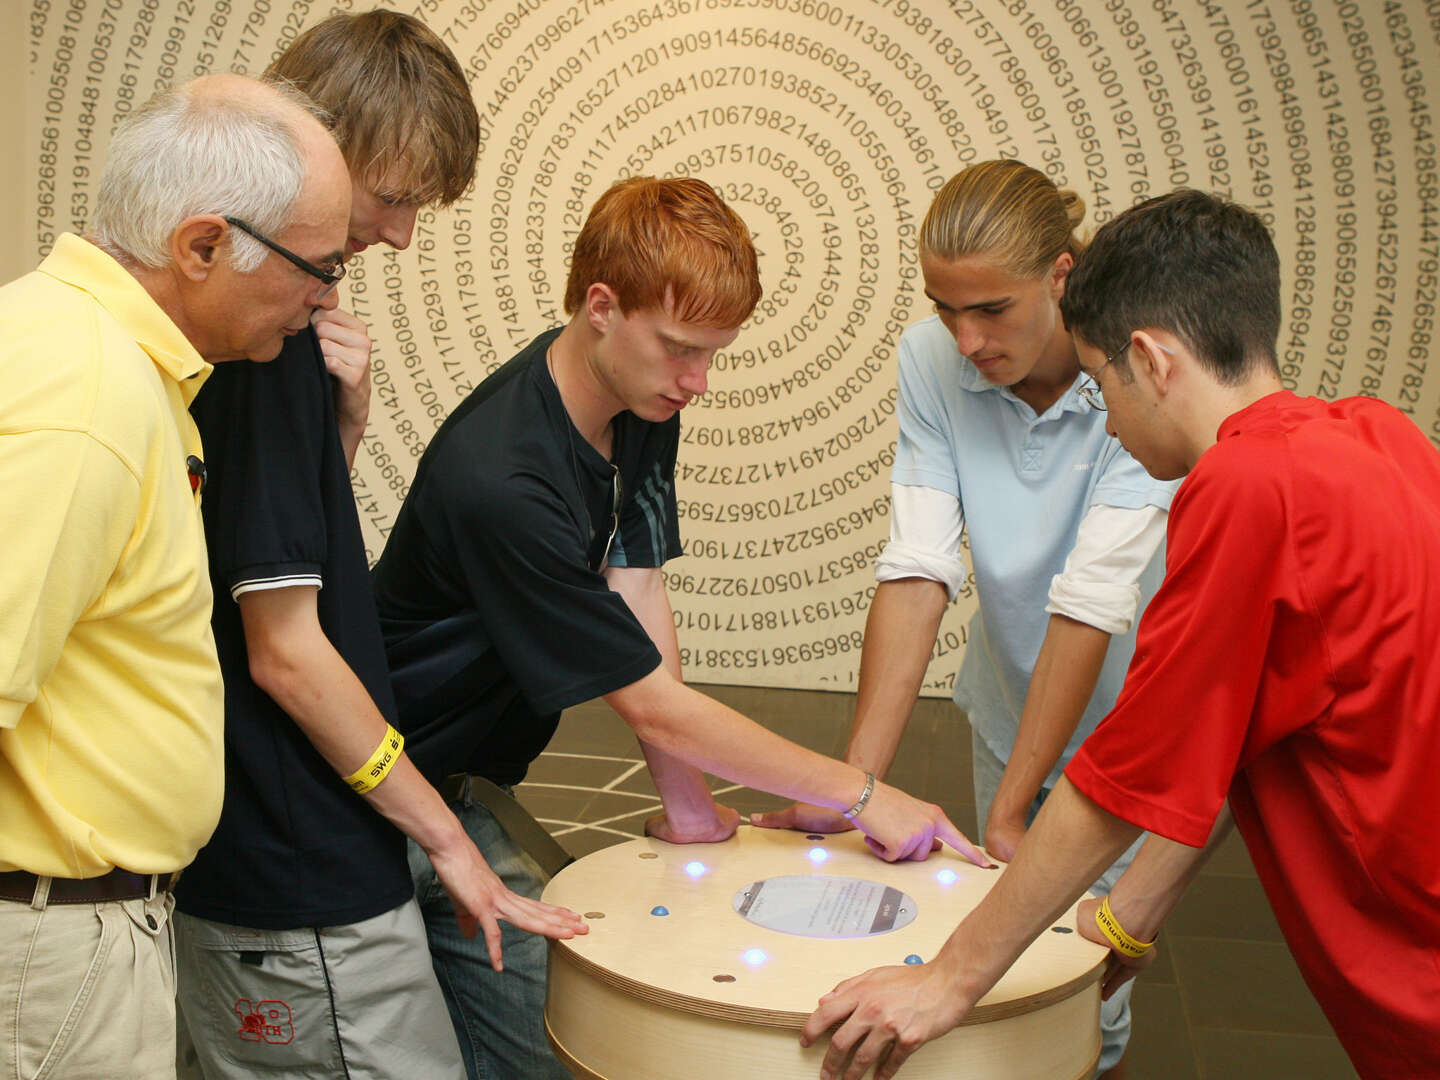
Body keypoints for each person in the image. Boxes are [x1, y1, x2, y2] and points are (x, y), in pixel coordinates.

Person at [801, 190, 1440, 1080]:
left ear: (1150, 358)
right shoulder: (1383, 435)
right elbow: (1243, 735)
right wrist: (1125, 918)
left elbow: (1131, 776)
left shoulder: (1244, 487)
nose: (1103, 417)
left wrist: (945, 983)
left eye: (1102, 386)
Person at [371, 174, 987, 1079]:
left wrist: (690, 811)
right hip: (372, 792)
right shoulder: (501, 479)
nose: (698, 383)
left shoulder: (638, 403)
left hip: (462, 785)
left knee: (547, 1025)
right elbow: (654, 708)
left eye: (714, 354)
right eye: (680, 350)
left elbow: (640, 589)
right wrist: (866, 793)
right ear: (601, 307)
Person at [172, 13, 585, 1080]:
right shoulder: (265, 341)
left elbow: (252, 557)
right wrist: (442, 839)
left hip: (301, 846)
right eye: (392, 197)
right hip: (291, 865)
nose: (400, 235)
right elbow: (284, 651)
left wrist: (341, 434)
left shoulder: (271, 337)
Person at [755, 160, 1177, 1076]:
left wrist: (1021, 807)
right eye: (947, 309)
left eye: (992, 309)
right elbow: (916, 567)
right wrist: (853, 787)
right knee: (1003, 958)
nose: (966, 336)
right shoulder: (930, 360)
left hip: (1134, 721)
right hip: (1009, 692)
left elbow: (1091, 600)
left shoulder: (1136, 371)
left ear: (1063, 276)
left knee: (1082, 980)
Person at [0, 73, 352, 1079]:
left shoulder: (78, 347)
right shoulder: (88, 395)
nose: (328, 298)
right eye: (318, 266)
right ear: (201, 247)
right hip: (50, 947)